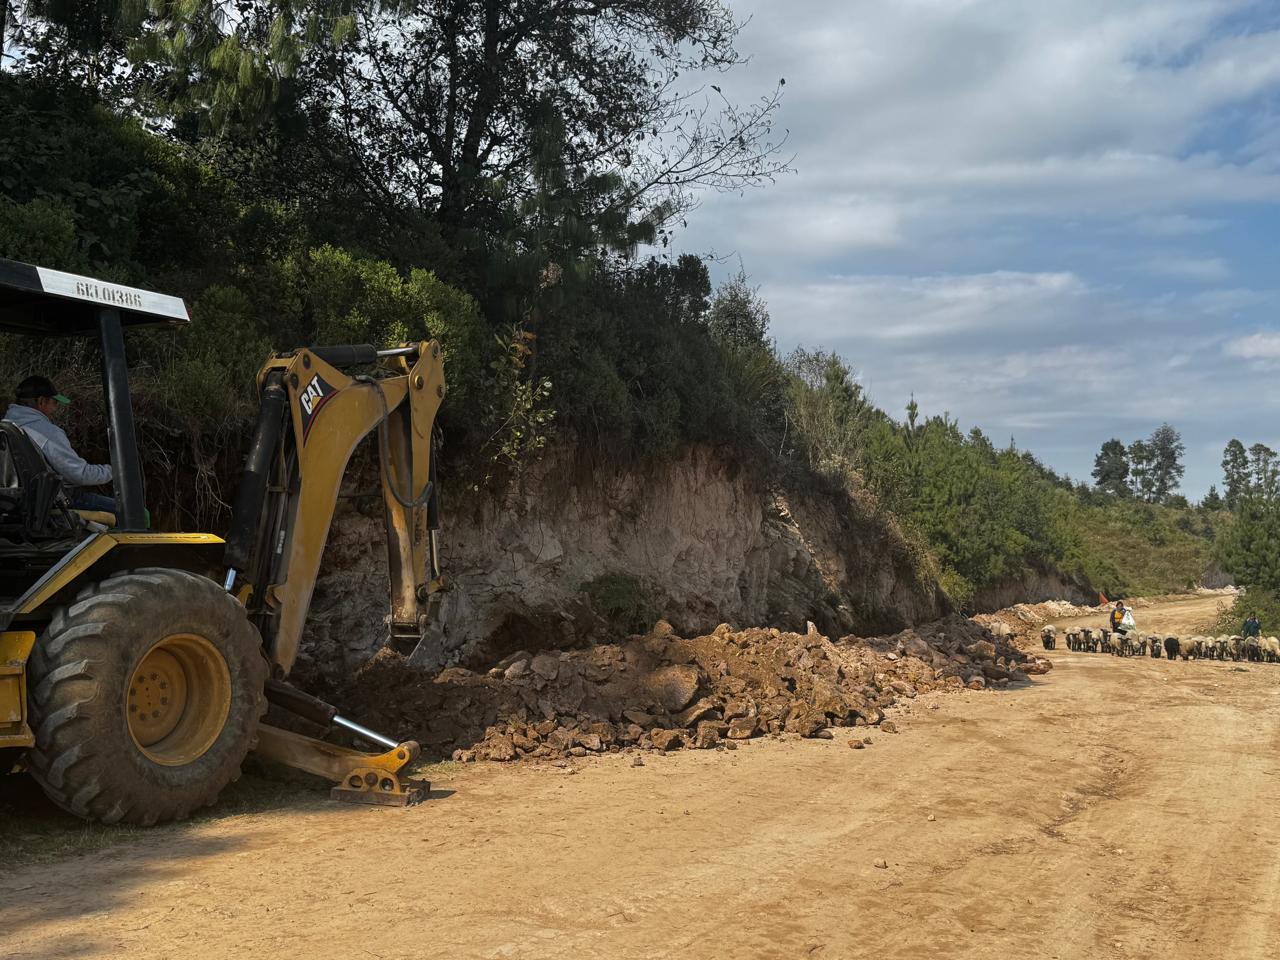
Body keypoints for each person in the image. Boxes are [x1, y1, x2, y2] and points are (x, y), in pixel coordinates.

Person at [2, 375, 117, 514]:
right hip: (58, 501)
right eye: (54, 403)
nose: (56, 408)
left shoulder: (6, 426)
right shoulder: (47, 432)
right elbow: (80, 475)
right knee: (136, 512)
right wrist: (115, 471)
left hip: (18, 503)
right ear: (41, 401)